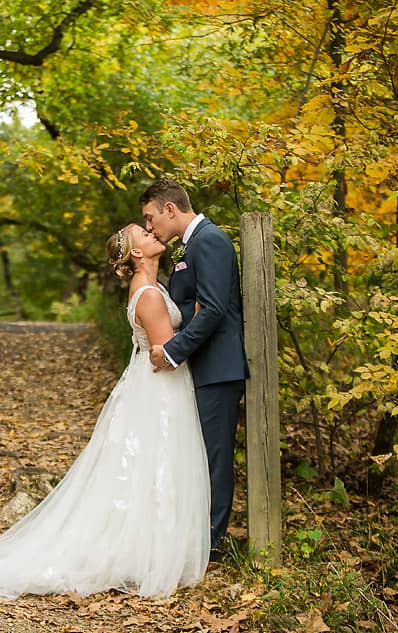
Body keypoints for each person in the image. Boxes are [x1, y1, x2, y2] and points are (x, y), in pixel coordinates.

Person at [0, 223, 210, 600]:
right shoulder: (150, 297)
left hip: (149, 386)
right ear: (137, 253)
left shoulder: (153, 288)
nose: (153, 232)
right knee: (156, 465)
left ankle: (144, 551)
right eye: (144, 232)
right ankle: (148, 556)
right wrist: (202, 316)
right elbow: (166, 356)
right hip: (159, 389)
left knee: (147, 469)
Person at [141, 178, 249, 561]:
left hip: (218, 369)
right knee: (198, 458)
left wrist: (172, 351)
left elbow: (216, 308)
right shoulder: (192, 245)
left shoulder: (211, 240)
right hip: (201, 368)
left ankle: (212, 548)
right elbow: (196, 308)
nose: (150, 227)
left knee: (215, 461)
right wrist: (190, 314)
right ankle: (197, 541)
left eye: (151, 217)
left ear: (170, 208)